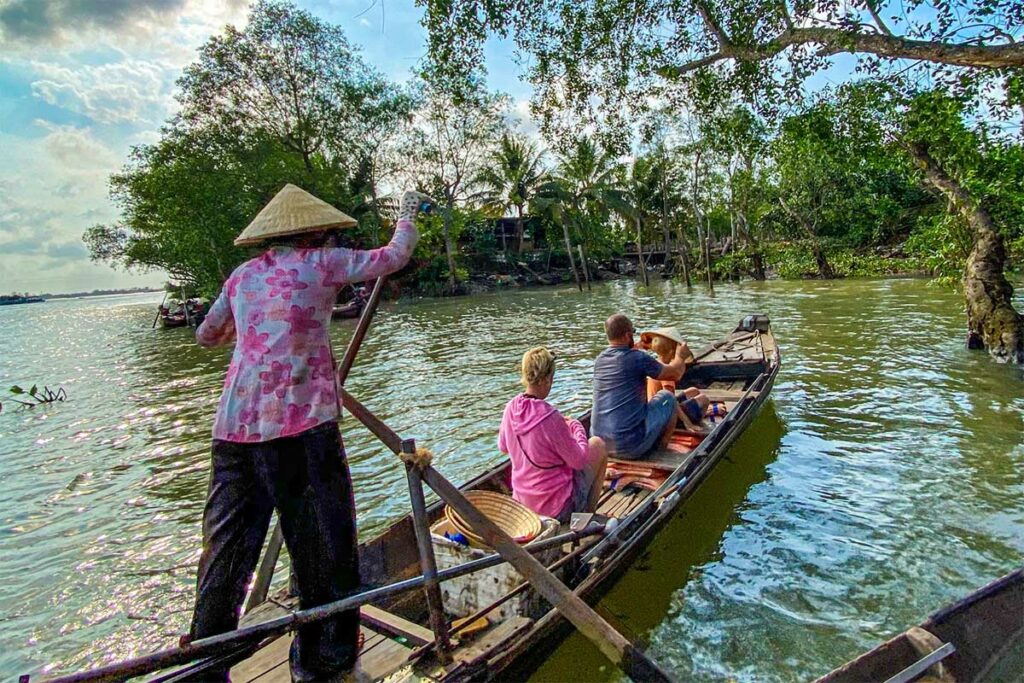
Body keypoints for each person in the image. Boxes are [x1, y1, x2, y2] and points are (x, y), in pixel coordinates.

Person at [188, 184, 430, 681]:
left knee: (226, 552)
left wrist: (252, 328)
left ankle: (204, 666)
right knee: (322, 547)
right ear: (315, 232)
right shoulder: (322, 263)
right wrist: (407, 212)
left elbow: (206, 335)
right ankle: (324, 659)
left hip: (234, 431)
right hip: (301, 429)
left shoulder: (241, 276)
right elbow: (394, 256)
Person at [498, 347, 608, 522]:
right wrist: (577, 427)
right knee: (598, 445)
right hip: (556, 509)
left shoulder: (511, 407)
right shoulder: (551, 417)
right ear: (547, 379)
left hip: (524, 505)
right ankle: (587, 515)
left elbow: (503, 447)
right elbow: (578, 461)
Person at [590, 314, 690, 460]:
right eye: (633, 333)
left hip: (600, 445)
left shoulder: (600, 360)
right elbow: (676, 373)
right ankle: (660, 451)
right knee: (667, 398)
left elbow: (624, 358)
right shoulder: (638, 358)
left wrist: (637, 345)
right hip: (630, 446)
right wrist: (680, 357)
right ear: (627, 335)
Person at [639, 327, 726, 429]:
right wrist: (688, 423)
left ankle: (697, 414)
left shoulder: (657, 365)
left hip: (658, 407)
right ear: (672, 352)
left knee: (693, 391)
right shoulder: (667, 374)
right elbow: (672, 402)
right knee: (704, 399)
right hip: (663, 416)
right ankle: (697, 422)